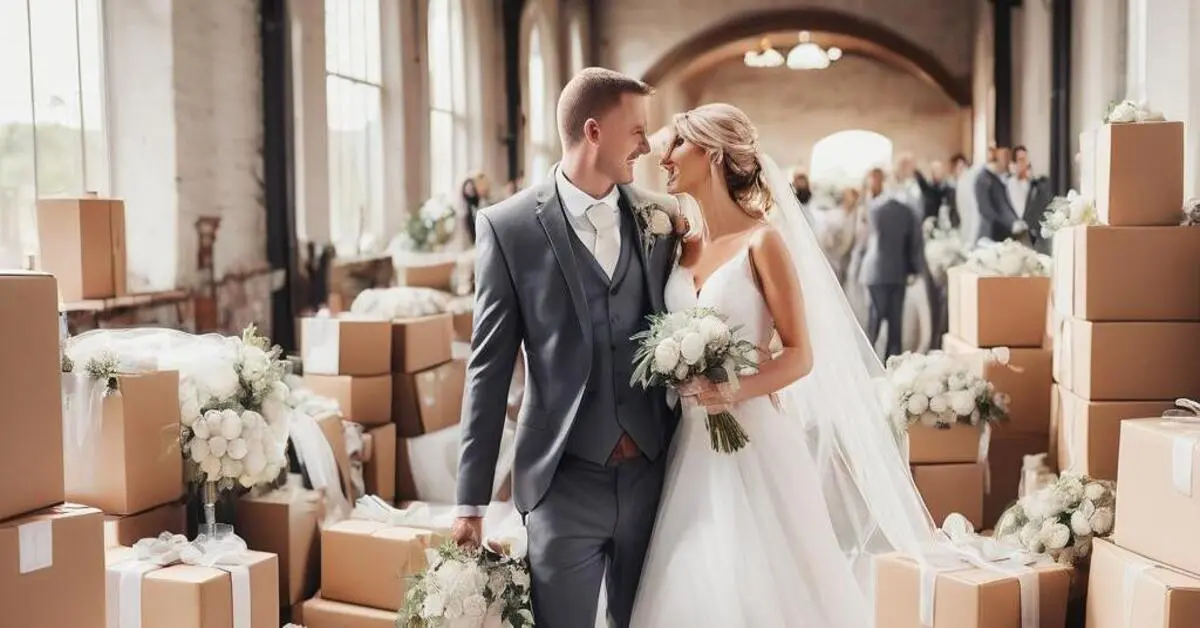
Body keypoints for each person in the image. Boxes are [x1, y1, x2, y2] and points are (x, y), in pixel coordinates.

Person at [630, 103, 933, 626]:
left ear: (714, 154)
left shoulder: (763, 242)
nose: (665, 153)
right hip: (689, 444)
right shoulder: (678, 245)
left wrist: (734, 390)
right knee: (693, 577)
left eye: (678, 142)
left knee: (768, 582)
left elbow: (800, 354)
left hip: (756, 440)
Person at [452, 67, 680, 628]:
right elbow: (489, 368)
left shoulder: (660, 220)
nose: (647, 146)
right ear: (594, 131)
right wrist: (469, 502)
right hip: (561, 483)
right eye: (636, 131)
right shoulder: (508, 228)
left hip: (655, 478)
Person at [1008, 145, 1053, 252]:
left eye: (1026, 160)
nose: (1025, 164)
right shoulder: (1011, 184)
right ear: (1014, 163)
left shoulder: (1036, 185)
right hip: (1019, 233)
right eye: (1021, 160)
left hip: (1035, 234)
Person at [974, 146, 1023, 243]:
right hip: (990, 233)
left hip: (1000, 232)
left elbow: (1005, 206)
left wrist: (1015, 221)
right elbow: (986, 210)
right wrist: (1010, 223)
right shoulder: (984, 179)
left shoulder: (997, 180)